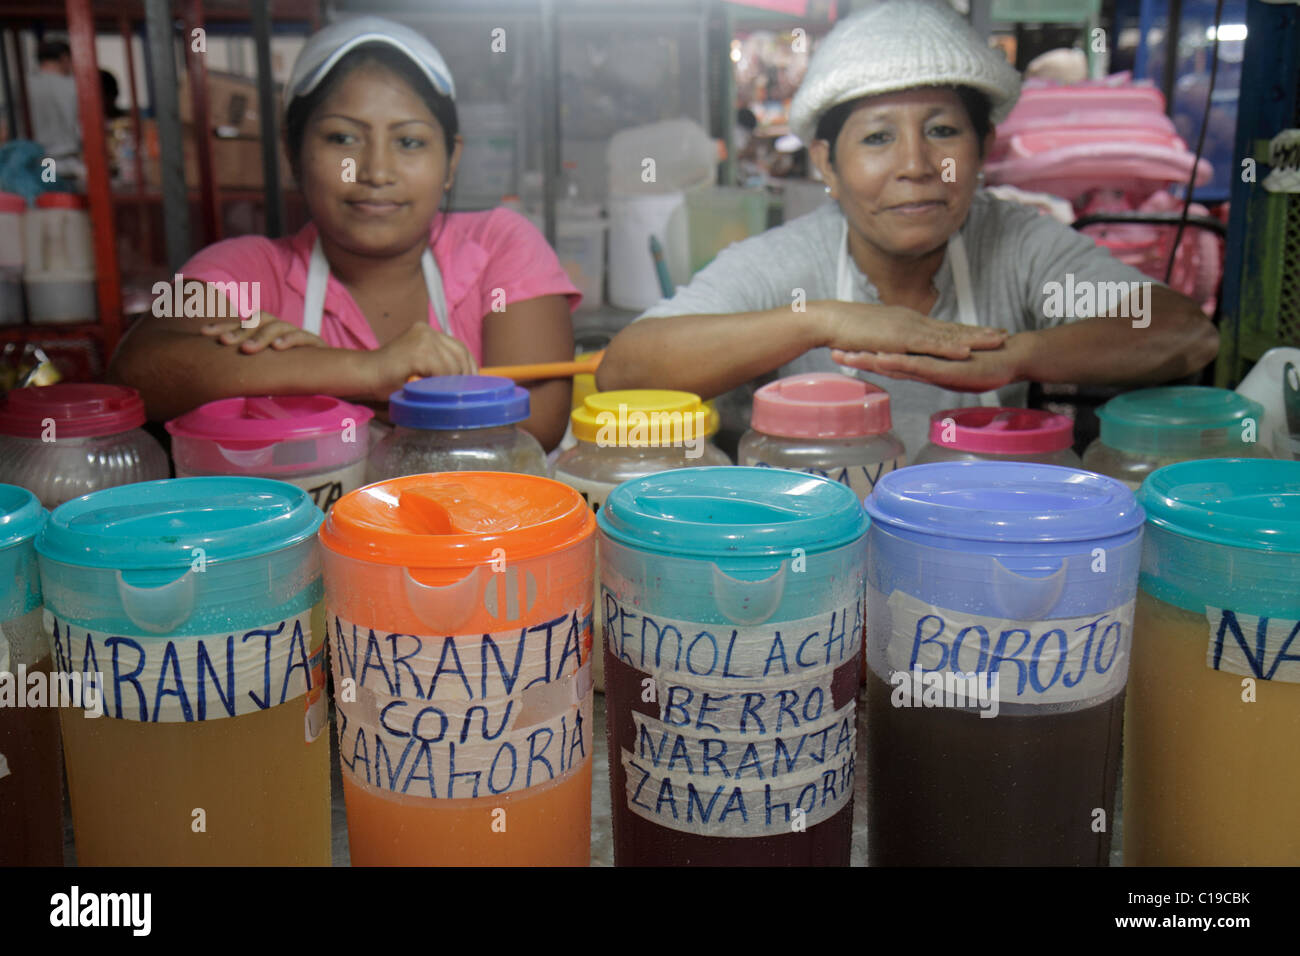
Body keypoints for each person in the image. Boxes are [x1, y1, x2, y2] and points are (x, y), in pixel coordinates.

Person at [597, 0, 1219, 455]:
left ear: (984, 147)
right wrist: (822, 318)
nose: (917, 166)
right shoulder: (788, 262)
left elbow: (1181, 332)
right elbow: (625, 371)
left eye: (943, 131)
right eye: (877, 138)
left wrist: (1014, 357)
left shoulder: (1017, 243)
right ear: (827, 166)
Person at [108, 17, 578, 450]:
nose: (375, 171)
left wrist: (298, 377)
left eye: (409, 142)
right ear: (293, 152)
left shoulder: (500, 244)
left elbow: (536, 426)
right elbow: (136, 374)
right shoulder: (248, 268)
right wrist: (363, 371)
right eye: (342, 138)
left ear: (451, 160)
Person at [27, 39, 84, 183]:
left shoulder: (23, 84)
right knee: (65, 201)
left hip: (32, 162)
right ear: (64, 58)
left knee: (47, 201)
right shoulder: (73, 85)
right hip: (66, 162)